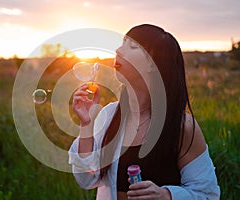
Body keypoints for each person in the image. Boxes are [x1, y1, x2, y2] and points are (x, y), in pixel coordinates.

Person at [68, 24, 220, 200]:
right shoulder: (109, 116)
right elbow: (86, 179)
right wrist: (86, 125)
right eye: (123, 43)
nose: (118, 50)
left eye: (132, 46)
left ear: (153, 64)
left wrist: (167, 195)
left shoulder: (182, 127)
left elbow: (207, 194)